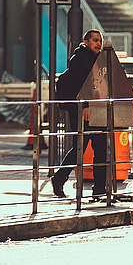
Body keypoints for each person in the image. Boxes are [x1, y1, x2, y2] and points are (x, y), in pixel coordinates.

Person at [50, 30, 110, 198]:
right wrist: (84, 106)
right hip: (82, 110)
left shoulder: (97, 58)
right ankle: (59, 178)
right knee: (80, 147)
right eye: (95, 40)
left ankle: (99, 188)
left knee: (99, 147)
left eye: (100, 40)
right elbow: (78, 85)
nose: (98, 43)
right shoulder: (79, 59)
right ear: (86, 42)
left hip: (96, 108)